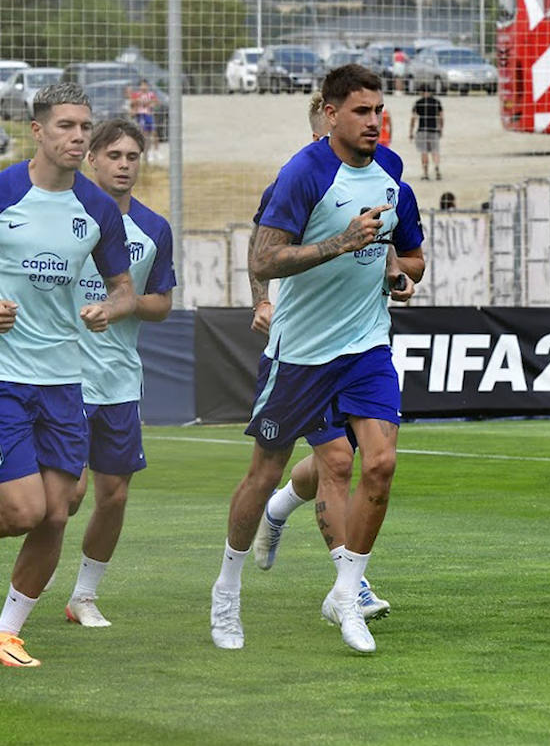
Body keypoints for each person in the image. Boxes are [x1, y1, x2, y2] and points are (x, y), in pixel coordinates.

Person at [211, 63, 424, 654]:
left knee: (375, 464)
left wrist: (397, 275)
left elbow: (411, 255)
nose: (374, 123)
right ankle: (227, 590)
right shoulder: (302, 174)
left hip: (366, 345)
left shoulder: (393, 174)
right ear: (330, 116)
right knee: (266, 473)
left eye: (379, 111)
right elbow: (263, 260)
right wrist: (341, 244)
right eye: (361, 112)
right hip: (300, 352)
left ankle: (347, 594)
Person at [0, 82, 135, 668]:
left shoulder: (96, 209)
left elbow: (124, 290)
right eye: (67, 126)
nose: (79, 137)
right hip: (2, 377)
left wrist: (108, 309)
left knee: (60, 507)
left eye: (85, 127)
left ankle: (6, 634)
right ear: (38, 130)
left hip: (66, 380)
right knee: (23, 512)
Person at [62, 117, 176, 629]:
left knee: (115, 494)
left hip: (118, 379)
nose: (124, 165)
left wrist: (124, 305)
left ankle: (83, 596)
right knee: (68, 494)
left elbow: (162, 303)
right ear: (92, 160)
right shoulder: (61, 216)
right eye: (114, 156)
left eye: (133, 157)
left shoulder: (153, 230)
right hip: (60, 371)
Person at [409, 86, 444, 181]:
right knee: (435, 151)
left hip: (422, 129)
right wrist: (441, 128)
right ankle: (436, 167)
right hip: (433, 129)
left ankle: (425, 173)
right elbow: (441, 117)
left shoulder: (419, 103)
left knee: (424, 152)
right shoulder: (436, 102)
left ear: (421, 92)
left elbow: (413, 118)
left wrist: (411, 131)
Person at [127, 79, 159, 159]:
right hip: (141, 115)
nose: (144, 87)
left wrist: (150, 103)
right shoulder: (137, 95)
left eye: (145, 85)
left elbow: (156, 102)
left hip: (149, 115)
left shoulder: (151, 94)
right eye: (142, 85)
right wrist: (138, 102)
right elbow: (132, 104)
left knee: (154, 133)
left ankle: (155, 151)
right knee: (144, 134)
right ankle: (146, 153)